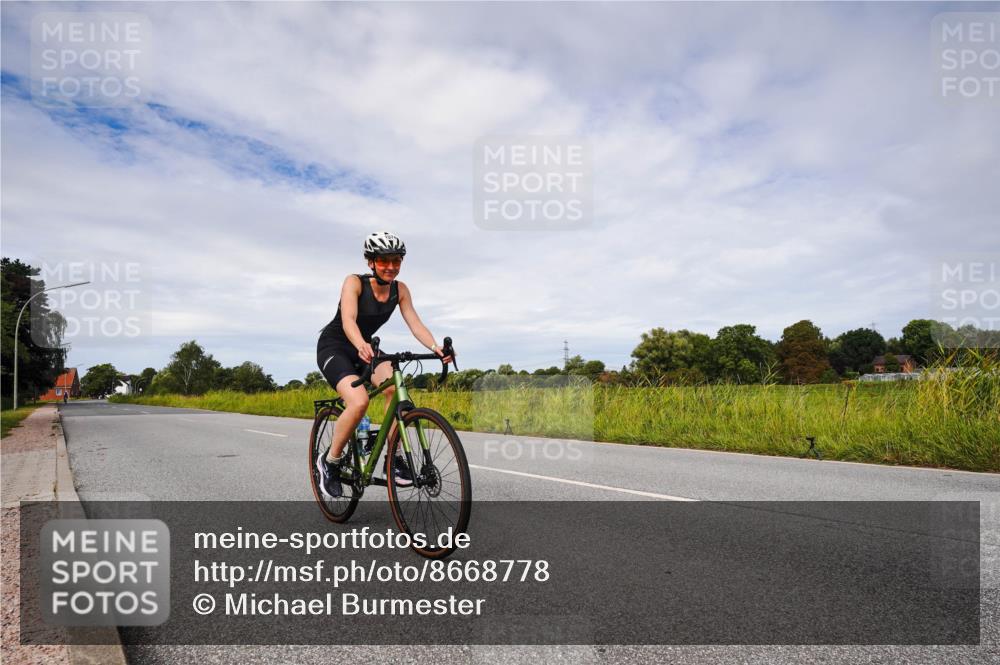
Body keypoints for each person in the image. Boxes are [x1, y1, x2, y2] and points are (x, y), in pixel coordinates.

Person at [315, 232, 453, 498]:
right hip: (336, 347)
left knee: (395, 390)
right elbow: (348, 320)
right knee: (359, 401)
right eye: (384, 261)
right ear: (371, 262)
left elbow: (414, 322)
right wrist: (360, 344)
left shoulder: (400, 290)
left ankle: (395, 458)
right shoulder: (354, 283)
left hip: (367, 349)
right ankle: (329, 462)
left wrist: (436, 348)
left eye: (396, 260)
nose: (391, 266)